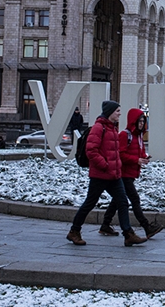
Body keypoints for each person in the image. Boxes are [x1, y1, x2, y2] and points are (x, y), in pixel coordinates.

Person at [66, 100, 146, 247]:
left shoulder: (112, 128)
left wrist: (116, 166)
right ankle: (74, 231)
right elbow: (91, 151)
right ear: (110, 112)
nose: (120, 113)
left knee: (122, 202)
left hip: (114, 175)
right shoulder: (99, 128)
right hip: (100, 174)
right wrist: (105, 165)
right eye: (117, 111)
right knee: (89, 203)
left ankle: (128, 234)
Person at [100, 108, 163, 240]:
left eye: (143, 121)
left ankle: (105, 225)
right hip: (123, 174)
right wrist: (137, 160)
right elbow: (120, 154)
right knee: (134, 199)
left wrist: (144, 157)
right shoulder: (125, 135)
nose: (141, 124)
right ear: (133, 121)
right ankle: (147, 227)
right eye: (139, 121)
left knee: (117, 200)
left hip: (131, 173)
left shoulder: (138, 136)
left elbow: (137, 153)